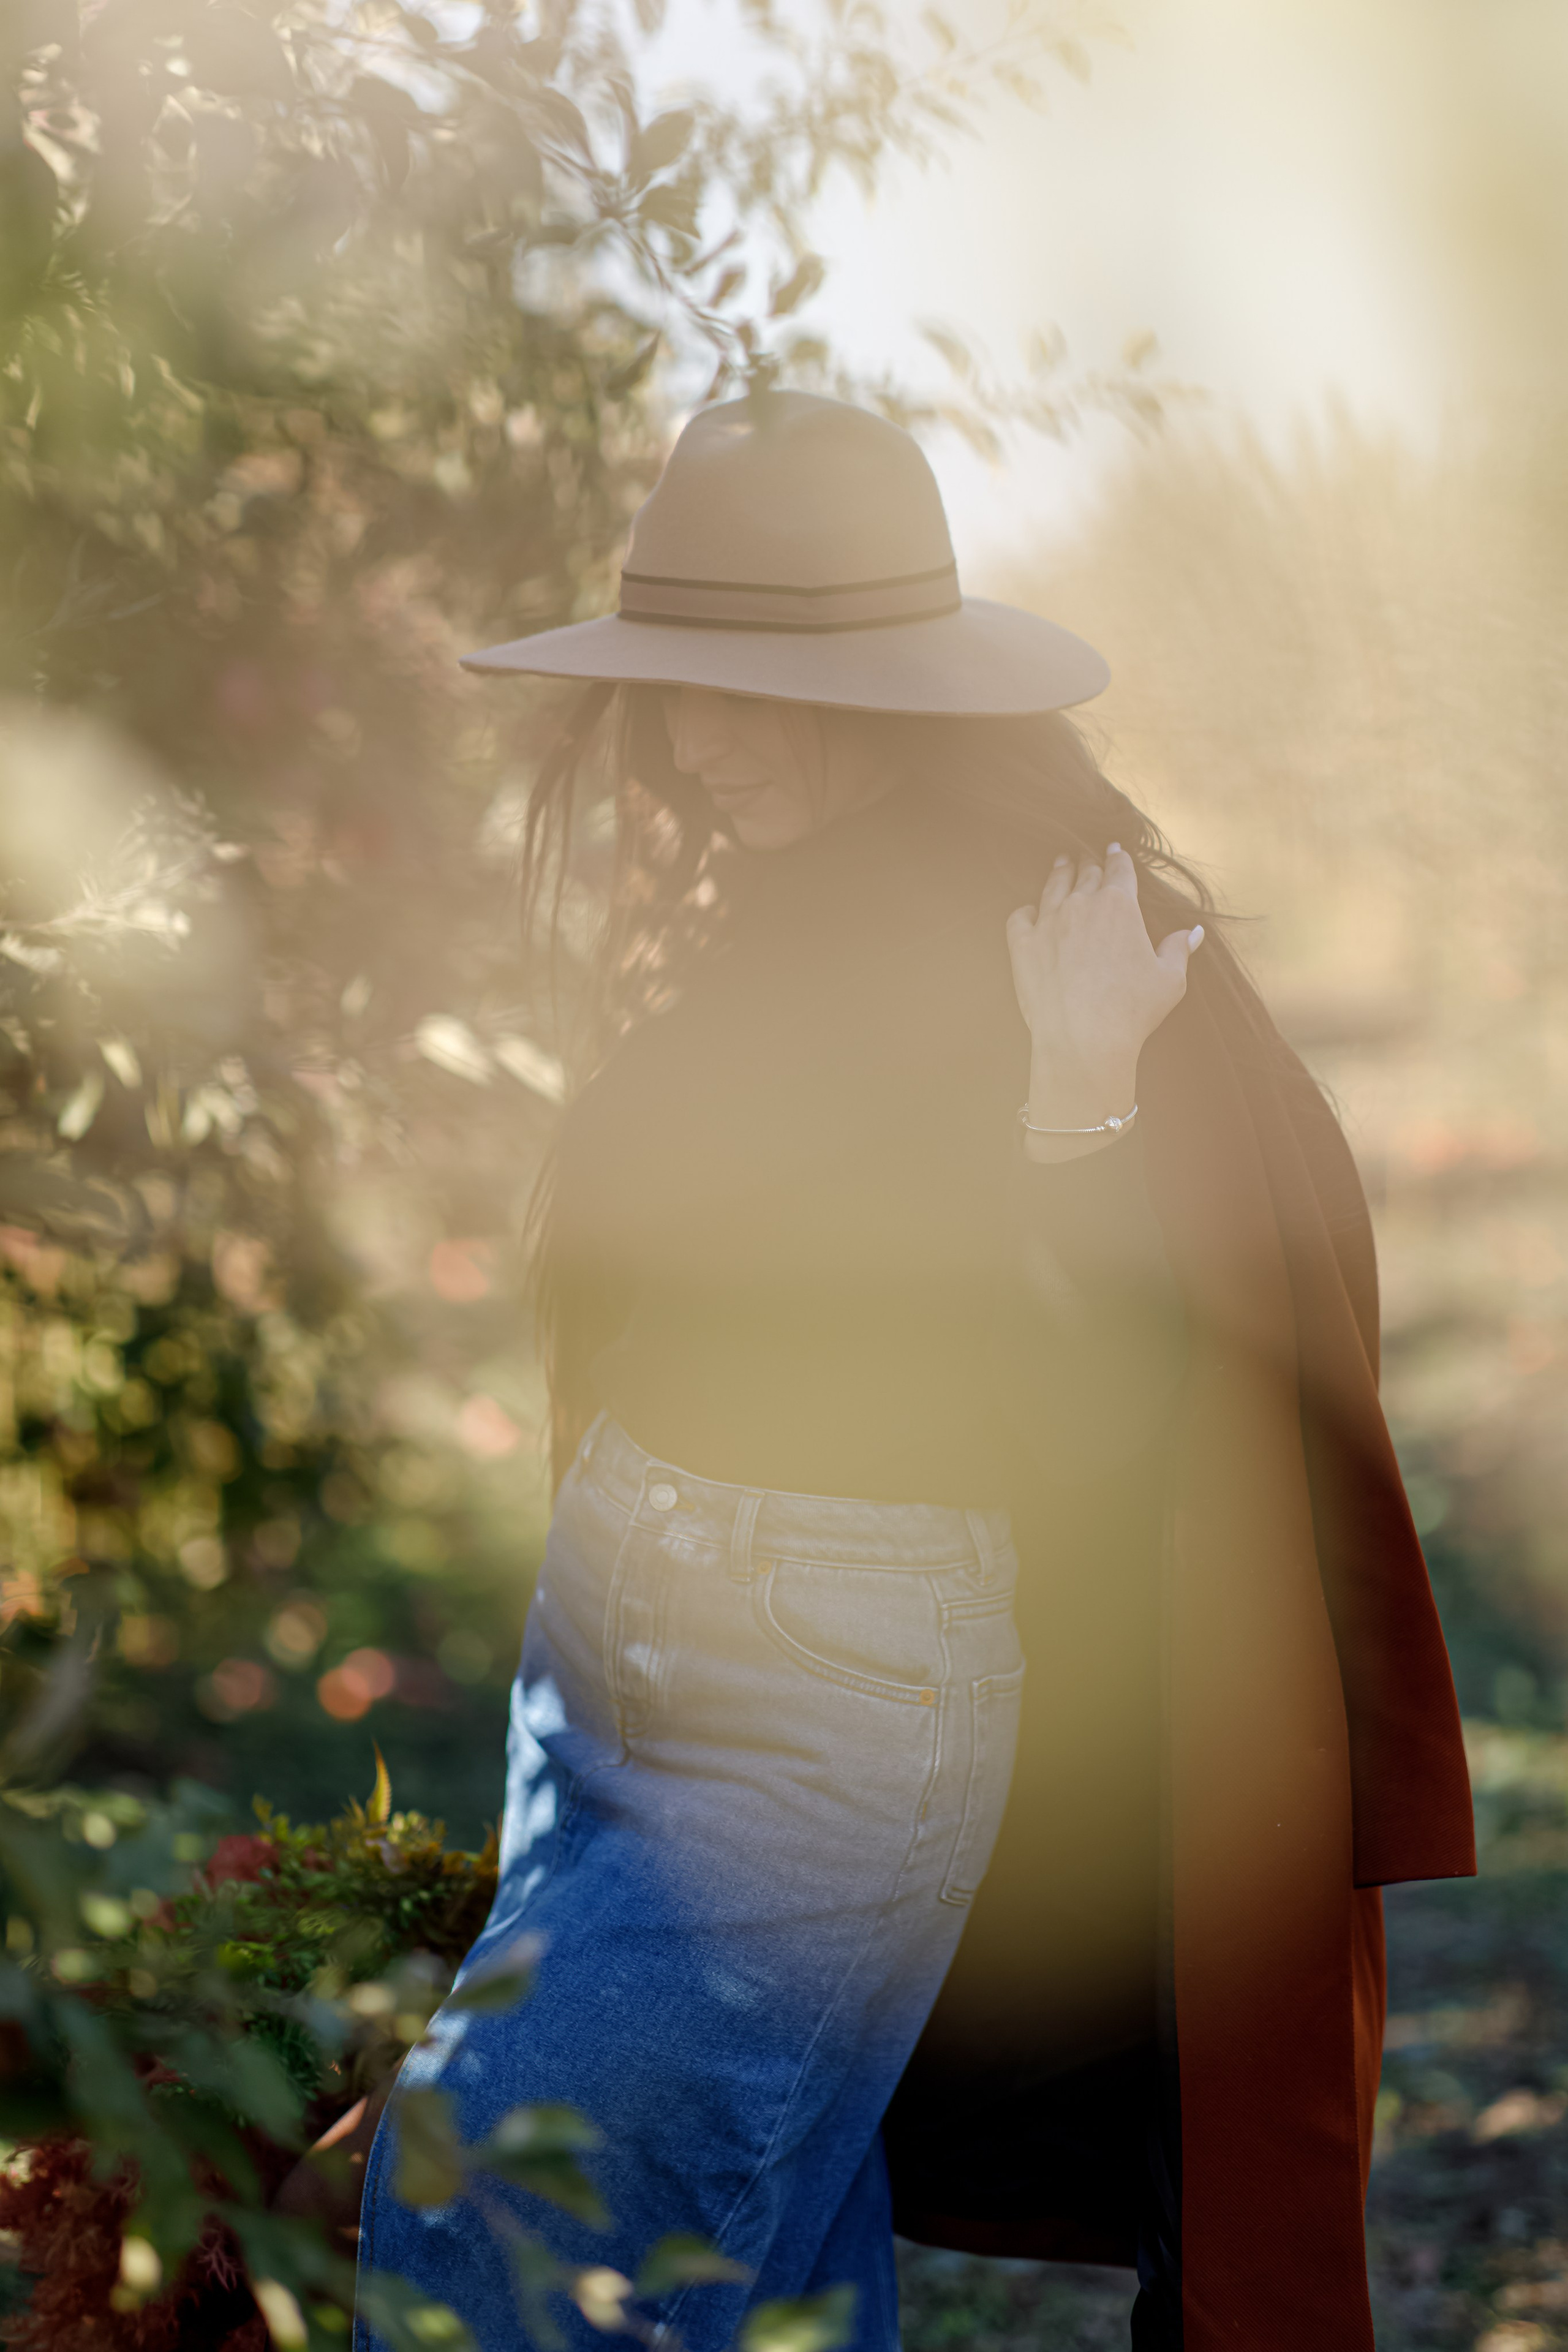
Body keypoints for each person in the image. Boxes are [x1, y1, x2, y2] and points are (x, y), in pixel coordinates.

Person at [353, 393, 1474, 2352]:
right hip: (621, 1646)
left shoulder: (1072, 944)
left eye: (759, 687)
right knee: (766, 2255)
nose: (699, 739)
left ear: (893, 686)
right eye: (677, 683)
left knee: (488, 2218)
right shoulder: (758, 899)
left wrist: (1066, 1109)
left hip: (824, 1699)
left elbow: (1112, 1423)